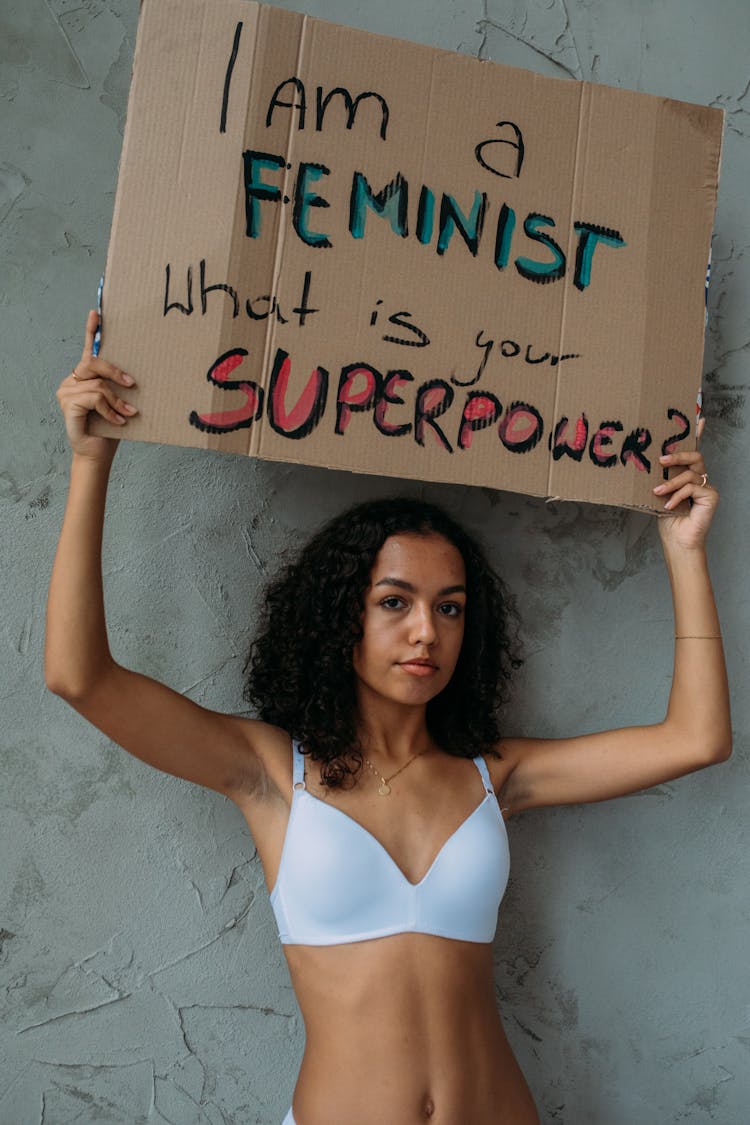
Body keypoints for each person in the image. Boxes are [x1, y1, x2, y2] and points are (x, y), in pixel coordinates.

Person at [46, 311, 731, 1125]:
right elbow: (78, 675)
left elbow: (697, 737)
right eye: (394, 602)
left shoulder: (494, 774)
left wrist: (684, 551)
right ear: (342, 619)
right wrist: (92, 460)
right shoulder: (270, 772)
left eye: (450, 607)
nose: (426, 631)